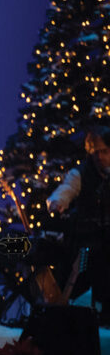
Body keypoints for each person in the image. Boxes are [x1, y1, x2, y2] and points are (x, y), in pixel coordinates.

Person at [46, 125, 110, 324]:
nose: (99, 157)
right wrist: (57, 202)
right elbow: (66, 189)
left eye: (104, 151)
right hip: (88, 242)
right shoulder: (81, 173)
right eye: (95, 152)